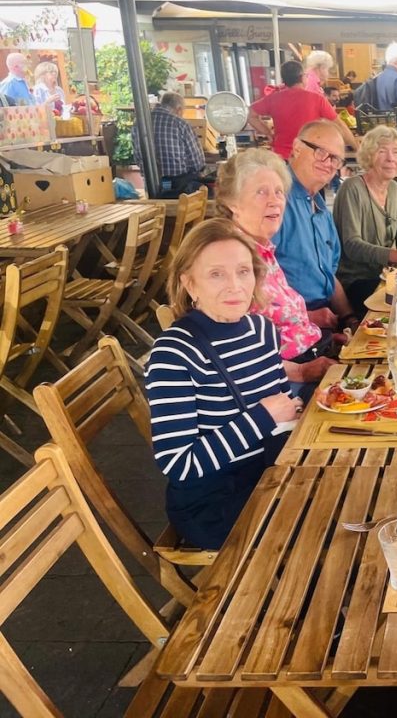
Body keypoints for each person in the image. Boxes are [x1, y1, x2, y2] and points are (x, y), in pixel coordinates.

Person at [145, 219, 301, 550]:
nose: (235, 285)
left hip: (269, 473)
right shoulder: (174, 353)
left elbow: (283, 409)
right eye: (216, 274)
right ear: (189, 283)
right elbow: (179, 464)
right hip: (215, 502)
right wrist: (261, 417)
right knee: (325, 526)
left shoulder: (260, 329)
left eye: (243, 271)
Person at [217, 149, 339, 400]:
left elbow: (276, 317)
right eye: (261, 192)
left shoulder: (262, 250)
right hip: (280, 389)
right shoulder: (230, 261)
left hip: (314, 356)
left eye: (279, 192)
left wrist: (319, 333)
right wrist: (302, 372)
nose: (274, 201)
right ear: (232, 202)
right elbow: (232, 352)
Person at [272, 119, 359, 330]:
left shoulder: (319, 206)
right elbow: (256, 285)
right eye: (320, 152)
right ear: (297, 147)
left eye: (336, 159)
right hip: (290, 330)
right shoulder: (276, 201)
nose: (328, 162)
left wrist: (350, 318)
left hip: (325, 319)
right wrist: (306, 317)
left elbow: (329, 275)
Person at [334, 125, 397, 315]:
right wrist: (396, 255)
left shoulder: (392, 187)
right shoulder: (352, 189)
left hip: (385, 275)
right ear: (369, 156)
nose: (390, 158)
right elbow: (351, 245)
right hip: (357, 281)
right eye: (382, 151)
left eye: (396, 152)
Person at [248, 60, 357, 159]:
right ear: (301, 77)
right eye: (306, 75)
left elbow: (250, 114)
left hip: (281, 157)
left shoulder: (273, 98)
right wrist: (357, 148)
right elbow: (340, 125)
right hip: (308, 157)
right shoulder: (317, 99)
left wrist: (268, 133)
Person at [133, 91, 205, 198]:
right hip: (179, 186)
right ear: (179, 109)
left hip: (150, 183)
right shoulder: (181, 124)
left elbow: (138, 156)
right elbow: (197, 162)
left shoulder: (139, 123)